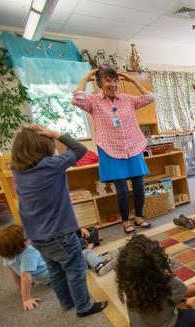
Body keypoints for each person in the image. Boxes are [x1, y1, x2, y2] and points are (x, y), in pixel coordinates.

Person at [10, 125, 108, 317]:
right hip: (60, 233)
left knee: (55, 269)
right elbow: (81, 150)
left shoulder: (18, 171)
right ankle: (84, 306)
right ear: (43, 149)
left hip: (36, 236)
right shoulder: (50, 165)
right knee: (75, 269)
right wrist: (56, 134)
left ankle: (66, 302)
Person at [72, 64, 155, 235]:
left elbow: (150, 97)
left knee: (139, 186)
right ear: (100, 83)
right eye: (108, 81)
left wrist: (132, 80)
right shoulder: (93, 101)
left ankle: (138, 217)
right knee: (122, 191)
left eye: (115, 81)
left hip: (132, 147)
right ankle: (126, 221)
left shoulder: (127, 99)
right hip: (111, 150)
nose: (113, 84)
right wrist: (85, 78)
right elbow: (77, 99)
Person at [115, 235, 195, 327]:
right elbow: (188, 292)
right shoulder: (164, 280)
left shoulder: (130, 279)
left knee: (175, 294)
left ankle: (194, 302)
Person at [0, 224, 51, 311]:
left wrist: (21, 287)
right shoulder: (29, 253)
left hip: (46, 276)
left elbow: (13, 271)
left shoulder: (7, 255)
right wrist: (26, 299)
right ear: (25, 242)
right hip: (52, 276)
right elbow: (25, 277)